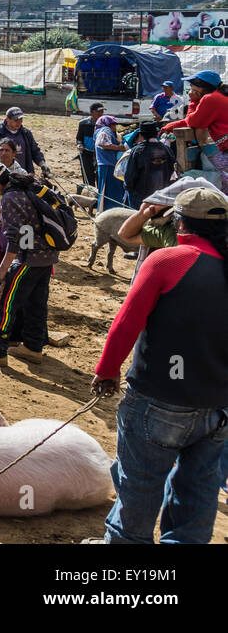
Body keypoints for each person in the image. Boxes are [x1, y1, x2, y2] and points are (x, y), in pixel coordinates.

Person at [90, 187, 228, 543]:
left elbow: (127, 323)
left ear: (181, 222)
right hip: (218, 408)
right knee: (198, 494)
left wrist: (107, 371)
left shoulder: (169, 260)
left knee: (139, 488)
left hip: (159, 399)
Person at [0, 163, 59, 368]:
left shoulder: (10, 198)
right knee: (36, 304)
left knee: (5, 304)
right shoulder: (29, 186)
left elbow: (15, 237)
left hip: (26, 260)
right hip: (46, 257)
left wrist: (2, 268)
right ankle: (33, 347)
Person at [161, 70, 228, 192]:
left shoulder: (210, 99)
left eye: (192, 86)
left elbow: (194, 122)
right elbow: (195, 119)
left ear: (201, 87)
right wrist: (171, 125)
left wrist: (193, 101)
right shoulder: (220, 96)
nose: (190, 90)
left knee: (194, 175)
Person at [124, 122, 175, 206]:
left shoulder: (137, 150)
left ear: (141, 135)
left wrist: (128, 188)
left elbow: (130, 174)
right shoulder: (167, 150)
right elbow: (172, 170)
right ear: (156, 133)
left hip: (140, 195)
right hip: (161, 195)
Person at [0, 106, 49, 177]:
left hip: (24, 173)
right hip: (2, 174)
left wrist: (42, 164)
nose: (19, 122)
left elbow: (35, 150)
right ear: (7, 119)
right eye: (16, 120)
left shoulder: (26, 133)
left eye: (21, 119)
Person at [93, 115, 127, 211]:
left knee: (108, 189)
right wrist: (120, 148)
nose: (114, 127)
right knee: (111, 190)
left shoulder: (99, 131)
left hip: (105, 164)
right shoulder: (105, 130)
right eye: (113, 125)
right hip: (108, 164)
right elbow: (102, 144)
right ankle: (111, 210)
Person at [75, 102, 104, 188]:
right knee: (88, 177)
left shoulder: (105, 124)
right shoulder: (83, 123)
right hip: (86, 153)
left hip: (100, 154)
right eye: (98, 112)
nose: (101, 114)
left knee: (100, 177)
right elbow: (79, 138)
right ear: (92, 112)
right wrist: (79, 145)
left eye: (102, 112)